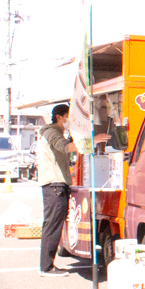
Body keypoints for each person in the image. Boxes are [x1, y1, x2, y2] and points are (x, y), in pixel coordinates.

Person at [37, 104, 109, 277]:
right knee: (52, 226)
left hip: (54, 185)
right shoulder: (52, 132)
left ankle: (47, 265)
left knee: (52, 225)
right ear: (60, 117)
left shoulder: (52, 132)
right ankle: (46, 267)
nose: (71, 120)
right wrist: (94, 139)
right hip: (54, 185)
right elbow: (66, 147)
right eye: (69, 116)